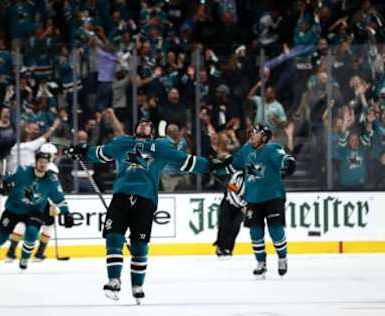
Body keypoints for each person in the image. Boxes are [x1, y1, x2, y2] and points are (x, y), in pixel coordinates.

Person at [66, 118, 215, 304]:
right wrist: (81, 150)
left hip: (145, 200)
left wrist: (211, 164)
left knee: (139, 246)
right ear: (135, 128)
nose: (143, 125)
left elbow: (187, 161)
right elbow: (100, 153)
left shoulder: (161, 147)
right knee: (113, 237)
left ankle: (137, 285)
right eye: (140, 123)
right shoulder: (123, 143)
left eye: (147, 124)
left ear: (152, 132)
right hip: (120, 197)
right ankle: (114, 280)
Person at [0, 149, 74, 272]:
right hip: (13, 209)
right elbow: (7, 180)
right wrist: (2, 183)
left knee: (32, 232)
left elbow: (59, 198)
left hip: (34, 212)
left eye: (45, 162)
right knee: (0, 236)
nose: (42, 164)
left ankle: (24, 259)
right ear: (36, 162)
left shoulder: (52, 180)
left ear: (48, 164)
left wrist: (67, 213)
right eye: (40, 161)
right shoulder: (22, 171)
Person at [222, 124, 296, 279]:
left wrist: (288, 162)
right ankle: (261, 263)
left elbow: (283, 158)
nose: (251, 135)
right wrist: (215, 161)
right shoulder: (246, 150)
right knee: (255, 232)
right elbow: (233, 163)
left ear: (264, 137)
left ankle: (282, 257)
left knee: (275, 229)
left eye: (255, 133)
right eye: (251, 133)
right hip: (253, 198)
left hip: (273, 196)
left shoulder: (272, 149)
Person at [6, 142, 61, 262]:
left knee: (21, 224)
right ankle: (39, 254)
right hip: (43, 203)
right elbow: (50, 189)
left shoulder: (33, 165)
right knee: (48, 226)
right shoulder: (51, 169)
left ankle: (11, 253)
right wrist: (54, 204)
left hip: (31, 200)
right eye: (54, 155)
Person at [213, 170, 246, 258]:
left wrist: (247, 205)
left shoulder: (256, 179)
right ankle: (220, 246)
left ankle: (228, 248)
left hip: (241, 207)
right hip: (228, 203)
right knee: (224, 225)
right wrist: (242, 204)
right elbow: (231, 192)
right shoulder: (237, 176)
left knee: (235, 226)